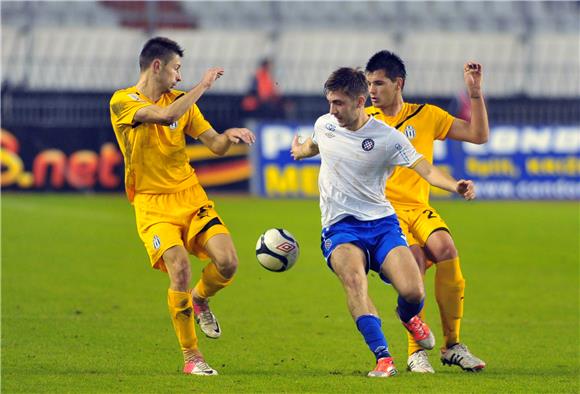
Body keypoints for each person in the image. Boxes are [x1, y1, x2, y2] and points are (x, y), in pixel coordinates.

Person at [290, 67, 476, 378]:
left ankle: (409, 317)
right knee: (354, 283)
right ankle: (383, 358)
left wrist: (454, 185)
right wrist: (300, 150)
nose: (332, 110)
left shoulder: (387, 138)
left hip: (382, 224)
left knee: (414, 292)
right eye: (330, 103)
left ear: (360, 101)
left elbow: (425, 169)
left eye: (339, 104)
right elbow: (314, 144)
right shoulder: (326, 124)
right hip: (340, 227)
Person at [109, 37, 255, 376]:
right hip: (152, 204)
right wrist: (203, 84)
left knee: (229, 262)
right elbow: (164, 116)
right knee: (179, 268)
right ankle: (192, 357)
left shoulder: (181, 101)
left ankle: (200, 298)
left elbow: (215, 145)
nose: (179, 77)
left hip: (190, 196)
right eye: (176, 69)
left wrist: (228, 135)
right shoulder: (123, 101)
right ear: (156, 66)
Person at [365, 50, 489, 373]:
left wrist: (475, 95)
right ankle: (415, 352)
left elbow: (478, 135)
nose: (372, 91)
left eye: (378, 83)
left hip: (419, 207)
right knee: (415, 261)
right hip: (386, 213)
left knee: (447, 248)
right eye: (368, 84)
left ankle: (452, 345)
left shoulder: (426, 115)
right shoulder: (365, 121)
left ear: (398, 83)